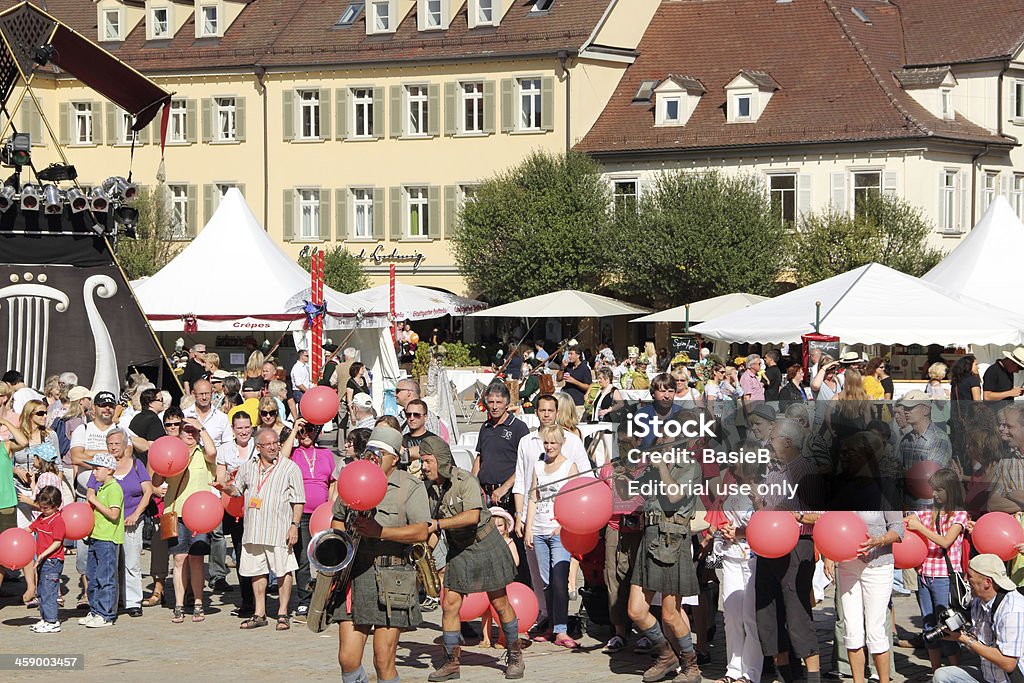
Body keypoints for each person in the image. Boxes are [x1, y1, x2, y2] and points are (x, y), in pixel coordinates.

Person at [330, 425, 431, 683]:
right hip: (355, 574)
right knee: (347, 659)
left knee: (383, 659)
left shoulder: (409, 486)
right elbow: (337, 519)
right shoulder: (353, 477)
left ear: (395, 459)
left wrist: (381, 532)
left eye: (380, 454)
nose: (372, 458)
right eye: (370, 452)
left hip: (392, 577)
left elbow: (421, 531)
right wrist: (340, 545)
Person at [420, 436, 525, 680]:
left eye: (427, 461)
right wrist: (424, 551)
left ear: (442, 460)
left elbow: (472, 517)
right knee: (449, 605)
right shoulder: (429, 488)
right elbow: (432, 530)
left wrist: (437, 525)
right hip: (459, 548)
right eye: (423, 462)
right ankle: (451, 662)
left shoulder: (465, 480)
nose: (424, 467)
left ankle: (515, 655)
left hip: (485, 544)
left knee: (499, 603)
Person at [626, 413, 704, 683]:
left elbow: (673, 497)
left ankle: (691, 666)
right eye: (659, 437)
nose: (660, 440)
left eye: (666, 437)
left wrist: (661, 467)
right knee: (635, 610)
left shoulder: (689, 467)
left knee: (671, 614)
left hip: (672, 542)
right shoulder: (652, 466)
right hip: (649, 540)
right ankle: (665, 655)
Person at [755, 418, 826, 683]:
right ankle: (784, 674)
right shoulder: (773, 470)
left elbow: (820, 515)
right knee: (768, 612)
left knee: (797, 614)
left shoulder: (806, 470)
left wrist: (793, 514)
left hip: (797, 546)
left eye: (771, 437)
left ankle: (813, 676)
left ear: (787, 442)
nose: (767, 442)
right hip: (768, 547)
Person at [219, 426, 305, 631]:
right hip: (255, 529)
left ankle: (283, 612)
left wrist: (294, 525)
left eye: (276, 443)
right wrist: (224, 487)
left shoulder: (290, 468)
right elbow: (237, 490)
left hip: (279, 529)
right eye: (269, 444)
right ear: (258, 447)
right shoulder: (248, 466)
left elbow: (299, 500)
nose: (274, 447)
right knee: (257, 571)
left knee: (283, 570)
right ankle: (260, 612)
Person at [825, 506, 903, 683]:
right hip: (848, 565)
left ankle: (883, 679)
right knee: (851, 629)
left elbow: (898, 530)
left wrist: (880, 540)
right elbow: (832, 524)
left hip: (878, 564)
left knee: (875, 629)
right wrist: (829, 553)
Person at [152, 414, 217, 624]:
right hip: (176, 513)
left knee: (197, 560)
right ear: (178, 432)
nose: (190, 434)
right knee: (179, 559)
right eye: (186, 430)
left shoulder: (202, 454)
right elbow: (156, 480)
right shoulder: (170, 451)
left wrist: (202, 428)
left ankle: (198, 602)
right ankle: (178, 604)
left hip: (200, 515)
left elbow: (213, 452)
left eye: (193, 431)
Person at [906, 468, 968, 672]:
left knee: (947, 626)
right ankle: (935, 671)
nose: (934, 494)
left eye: (939, 490)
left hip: (944, 577)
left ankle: (955, 672)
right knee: (928, 626)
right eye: (933, 490)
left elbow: (946, 541)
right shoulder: (927, 512)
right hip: (925, 574)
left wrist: (920, 527)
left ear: (951, 490)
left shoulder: (959, 514)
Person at [86, 429, 152, 618]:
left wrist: (135, 515)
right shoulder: (101, 466)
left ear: (125, 445)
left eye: (117, 443)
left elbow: (147, 492)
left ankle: (133, 602)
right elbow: (90, 493)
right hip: (107, 524)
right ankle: (111, 604)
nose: (113, 447)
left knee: (131, 563)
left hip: (132, 521)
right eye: (110, 444)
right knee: (109, 566)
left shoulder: (136, 464)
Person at [524, 425, 579, 648]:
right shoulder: (538, 465)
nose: (549, 447)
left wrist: (564, 523)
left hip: (558, 531)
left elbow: (575, 499)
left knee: (559, 580)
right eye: (546, 443)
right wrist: (528, 527)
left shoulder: (569, 466)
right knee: (546, 582)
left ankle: (562, 629)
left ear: (561, 443)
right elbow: (533, 497)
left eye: (553, 443)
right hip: (539, 529)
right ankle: (551, 625)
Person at [932, 554, 1024, 683]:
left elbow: (1008, 663)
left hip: (1011, 680)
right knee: (942, 675)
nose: (965, 579)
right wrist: (957, 634)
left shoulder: (1013, 610)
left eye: (969, 576)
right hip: (989, 676)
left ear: (987, 582)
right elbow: (979, 644)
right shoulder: (978, 601)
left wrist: (964, 639)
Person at [281, 416, 335, 622]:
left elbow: (332, 483)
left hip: (322, 513)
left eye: (310, 430)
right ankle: (304, 599)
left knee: (326, 558)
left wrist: (330, 507)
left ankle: (325, 599)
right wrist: (295, 431)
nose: (307, 434)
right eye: (304, 430)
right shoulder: (293, 453)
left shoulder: (326, 453)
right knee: (303, 557)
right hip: (300, 513)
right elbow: (282, 461)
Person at [716, 458, 764, 683]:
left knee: (749, 617)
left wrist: (741, 532)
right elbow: (721, 519)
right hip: (729, 557)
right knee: (731, 616)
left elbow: (765, 523)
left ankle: (751, 673)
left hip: (753, 560)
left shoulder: (764, 488)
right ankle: (733, 669)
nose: (732, 467)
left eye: (736, 462)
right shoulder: (731, 488)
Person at [80, 452, 124, 628]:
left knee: (106, 577)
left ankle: (106, 614)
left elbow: (114, 514)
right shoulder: (102, 487)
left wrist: (93, 500)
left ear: (110, 470)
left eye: (97, 468)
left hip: (108, 539)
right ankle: (96, 610)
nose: (94, 472)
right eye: (93, 468)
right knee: (93, 576)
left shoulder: (114, 488)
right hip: (96, 537)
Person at [474, 382, 529, 517]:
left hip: (507, 496)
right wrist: (472, 485)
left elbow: (525, 464)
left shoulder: (519, 428)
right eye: (491, 402)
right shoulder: (485, 427)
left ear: (507, 403)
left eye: (498, 402)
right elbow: (479, 458)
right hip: (484, 495)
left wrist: (504, 488)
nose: (494, 406)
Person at [481, 506, 520, 648]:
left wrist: (504, 563)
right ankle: (486, 637)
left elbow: (516, 561)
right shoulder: (485, 543)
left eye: (500, 526)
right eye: (493, 526)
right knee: (486, 610)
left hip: (504, 579)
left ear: (505, 527)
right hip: (488, 579)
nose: (497, 529)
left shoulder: (508, 542)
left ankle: (503, 638)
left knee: (502, 610)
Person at [28, 486, 66, 633]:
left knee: (50, 592)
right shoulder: (42, 518)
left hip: (53, 561)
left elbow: (57, 541)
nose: (43, 510)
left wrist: (43, 554)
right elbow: (30, 529)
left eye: (47, 508)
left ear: (56, 506)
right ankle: (44, 618)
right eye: (41, 507)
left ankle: (52, 621)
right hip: (42, 561)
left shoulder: (57, 520)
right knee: (42, 591)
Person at [128, 388, 166, 458]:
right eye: (161, 400)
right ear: (151, 403)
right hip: (146, 463)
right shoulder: (153, 420)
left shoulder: (137, 417)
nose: (163, 403)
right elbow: (153, 446)